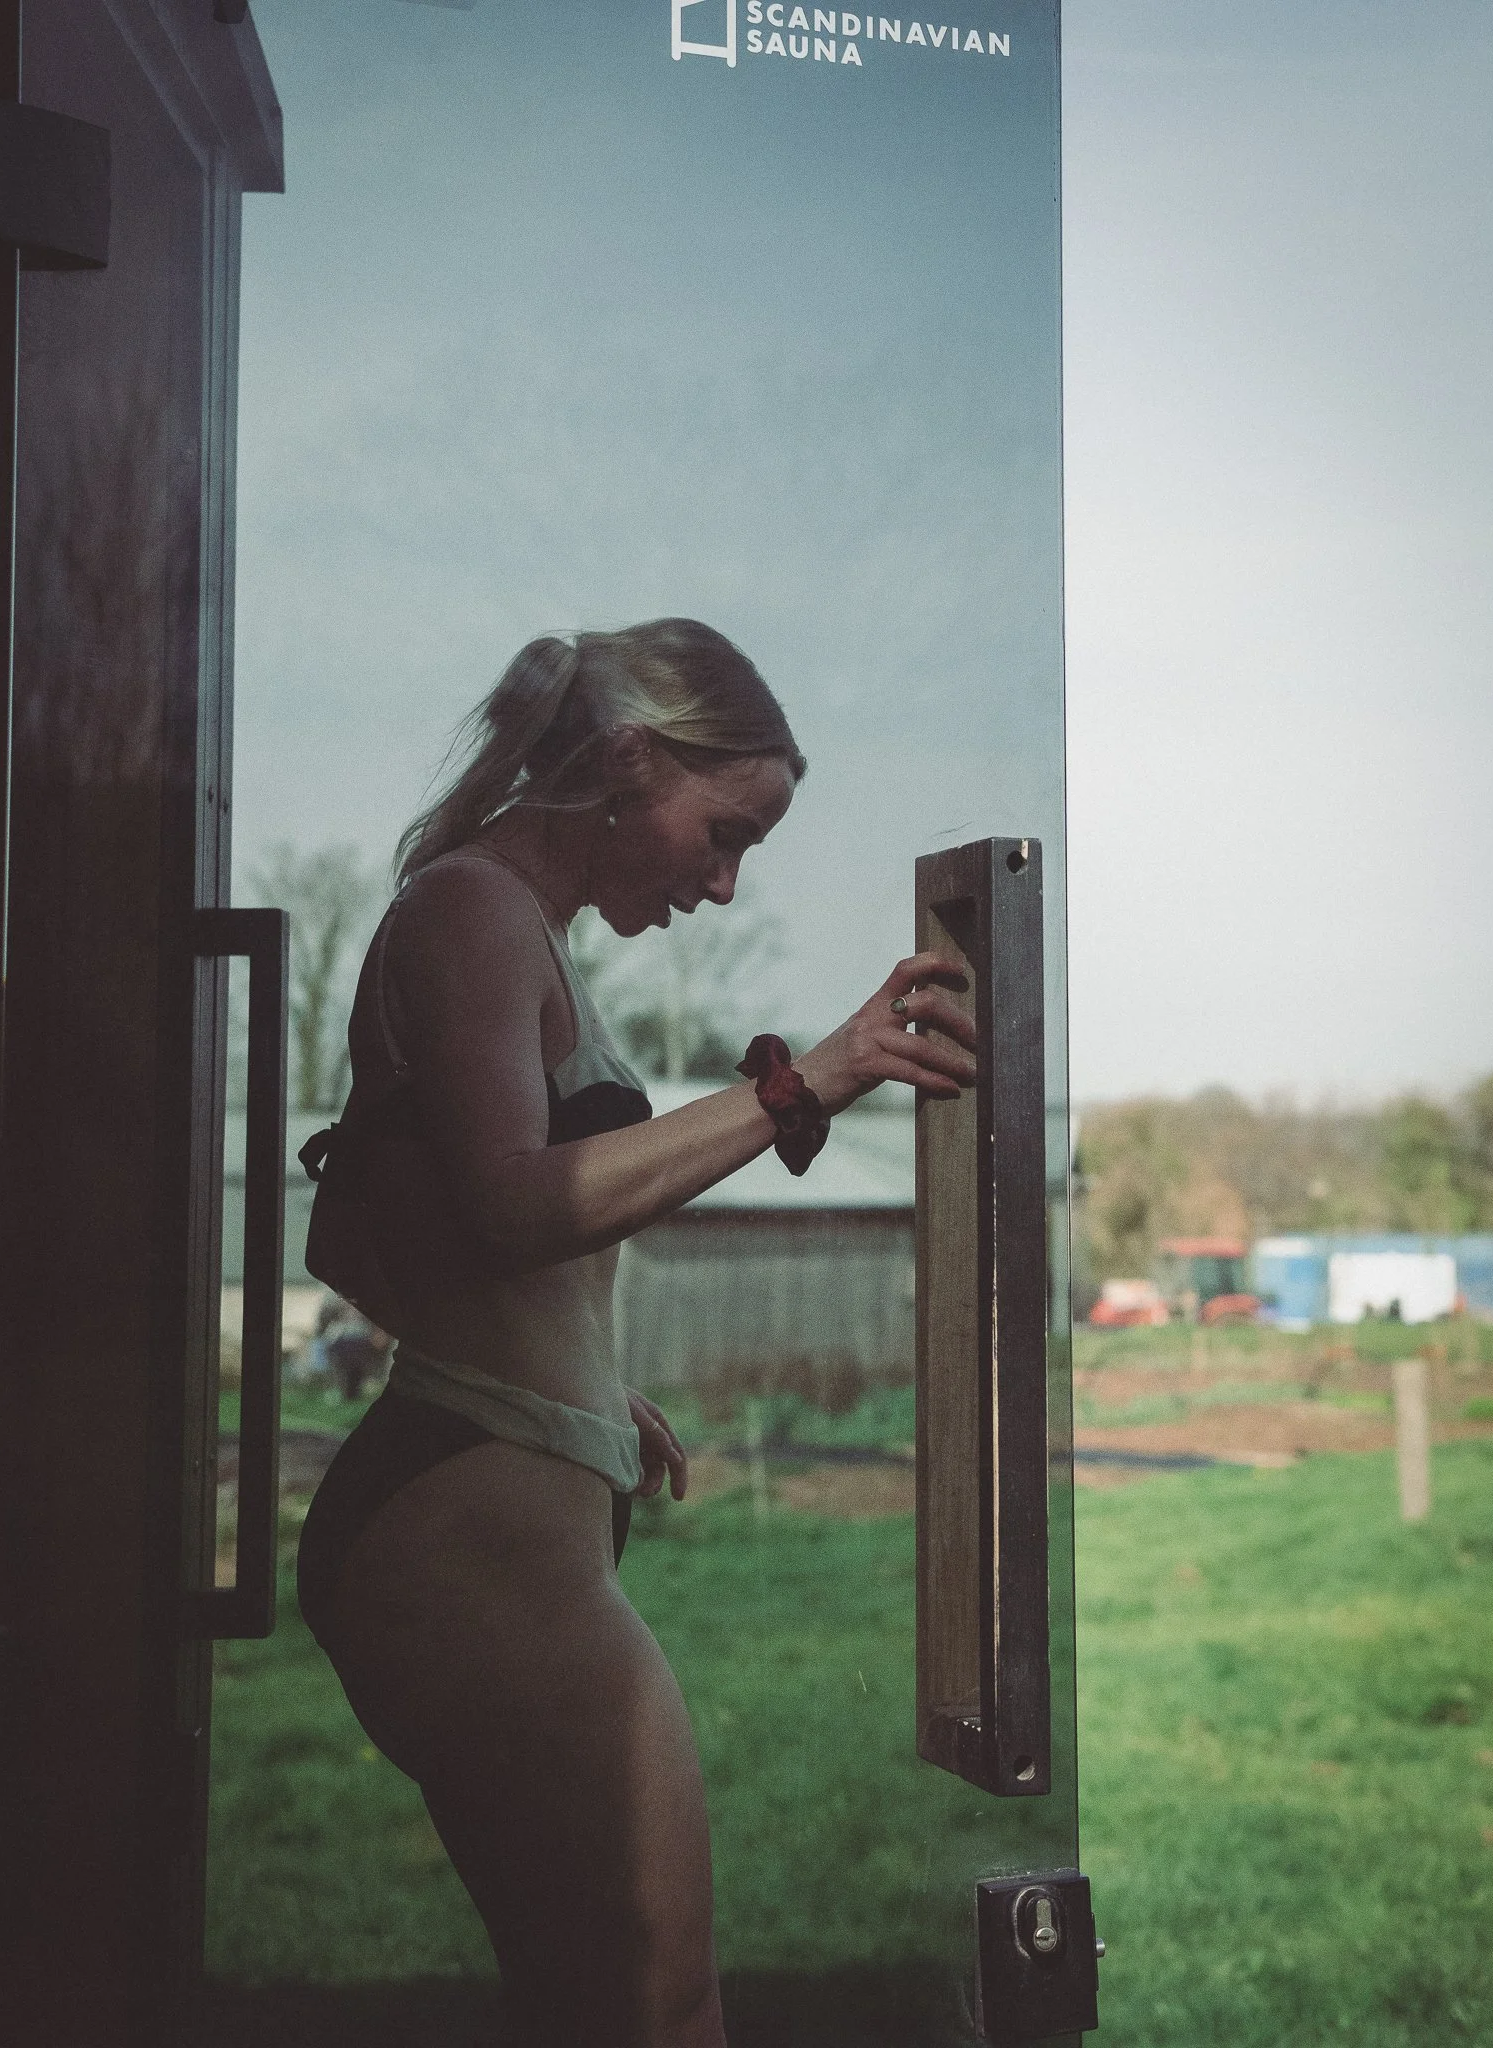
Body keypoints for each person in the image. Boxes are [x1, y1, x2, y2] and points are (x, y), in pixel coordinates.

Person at [295, 618, 976, 2047]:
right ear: (625, 760)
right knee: (664, 2003)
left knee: (587, 1995)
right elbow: (510, 1208)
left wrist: (588, 1384)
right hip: (466, 1535)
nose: (721, 887)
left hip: (486, 1488)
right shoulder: (471, 909)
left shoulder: (498, 921)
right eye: (720, 834)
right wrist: (818, 1076)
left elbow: (358, 1235)